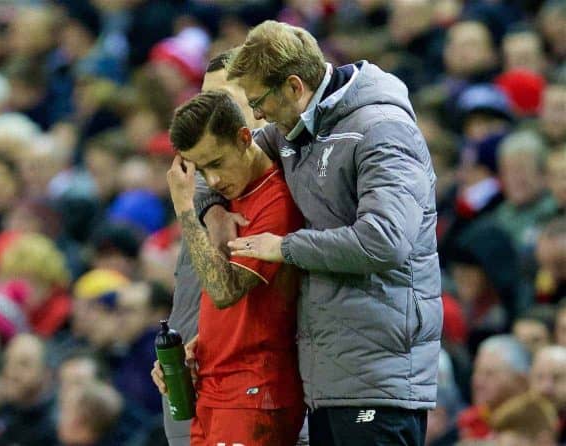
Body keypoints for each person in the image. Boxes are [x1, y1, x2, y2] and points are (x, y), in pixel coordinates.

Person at [225, 20, 442, 445]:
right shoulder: (294, 130)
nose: (257, 116)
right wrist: (209, 207)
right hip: (327, 380)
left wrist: (286, 248)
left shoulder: (382, 128)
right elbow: (229, 158)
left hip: (379, 380)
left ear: (293, 87)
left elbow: (384, 241)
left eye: (259, 101)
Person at [163, 90, 306, 446]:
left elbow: (225, 291)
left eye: (216, 163)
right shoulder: (227, 199)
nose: (211, 181)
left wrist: (186, 209)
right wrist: (201, 347)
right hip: (212, 388)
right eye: (201, 169)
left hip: (254, 392)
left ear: (245, 137)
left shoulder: (276, 200)